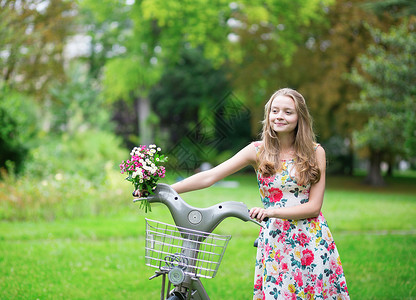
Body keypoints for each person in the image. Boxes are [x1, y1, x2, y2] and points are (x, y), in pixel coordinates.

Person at [135, 88, 350, 299]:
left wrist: (271, 212)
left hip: (310, 240)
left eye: (288, 112)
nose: (280, 117)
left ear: (299, 117)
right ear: (268, 114)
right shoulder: (257, 151)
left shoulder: (315, 152)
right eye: (275, 111)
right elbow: (210, 176)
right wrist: (162, 190)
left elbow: (314, 207)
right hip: (276, 241)